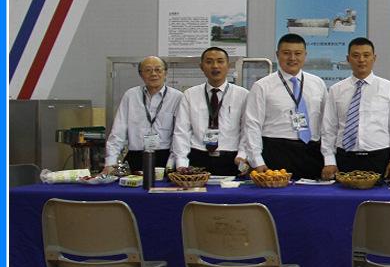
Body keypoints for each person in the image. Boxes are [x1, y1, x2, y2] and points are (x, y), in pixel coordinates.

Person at [243, 33, 327, 179]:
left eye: (298, 53)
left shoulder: (318, 83)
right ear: (277, 55)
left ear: (305, 55)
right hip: (276, 151)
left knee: (312, 193)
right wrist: (256, 160)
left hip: (311, 152)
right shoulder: (262, 86)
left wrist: (328, 158)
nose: (292, 58)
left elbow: (327, 123)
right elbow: (252, 125)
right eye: (286, 53)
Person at [320, 37, 390, 180]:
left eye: (366, 55)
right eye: (356, 55)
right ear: (348, 59)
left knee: (380, 194)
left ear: (374, 58)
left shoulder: (389, 88)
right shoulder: (336, 90)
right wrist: (329, 161)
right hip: (345, 158)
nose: (361, 60)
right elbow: (328, 129)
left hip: (379, 158)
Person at [171, 47, 250, 176]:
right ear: (201, 67)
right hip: (197, 157)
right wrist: (181, 163)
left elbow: (246, 130)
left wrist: (242, 155)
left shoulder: (243, 95)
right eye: (209, 62)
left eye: (220, 61)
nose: (215, 66)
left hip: (231, 159)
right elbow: (181, 131)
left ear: (228, 66)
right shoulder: (190, 94)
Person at [104, 55, 182, 173]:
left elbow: (180, 134)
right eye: (148, 70)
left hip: (165, 158)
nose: (153, 74)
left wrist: (174, 163)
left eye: (158, 69)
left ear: (165, 73)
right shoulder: (130, 95)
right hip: (136, 157)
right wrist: (110, 162)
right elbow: (118, 131)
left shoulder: (177, 97)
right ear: (141, 74)